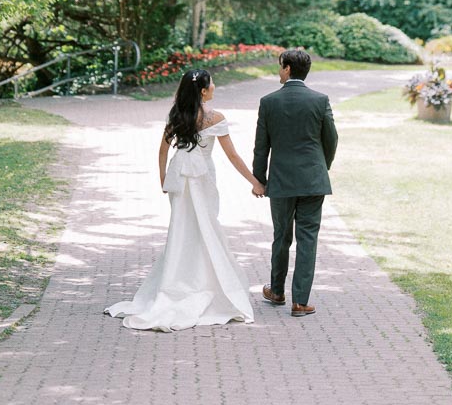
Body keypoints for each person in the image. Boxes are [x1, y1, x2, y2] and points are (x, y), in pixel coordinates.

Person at [105, 67, 266, 331]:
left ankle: (178, 281)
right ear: (203, 91)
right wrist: (255, 182)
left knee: (181, 228)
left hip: (179, 176)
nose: (214, 87)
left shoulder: (177, 114)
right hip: (201, 177)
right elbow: (233, 156)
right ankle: (204, 283)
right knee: (205, 227)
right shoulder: (215, 118)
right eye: (212, 84)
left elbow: (162, 150)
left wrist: (163, 181)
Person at [252, 46, 338, 317]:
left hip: (281, 181)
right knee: (308, 239)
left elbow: (261, 147)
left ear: (288, 69)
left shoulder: (268, 102)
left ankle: (277, 291)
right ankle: (300, 301)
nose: (278, 71)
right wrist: (322, 167)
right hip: (313, 180)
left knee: (281, 236)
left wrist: (259, 180)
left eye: (280, 66)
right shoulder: (320, 100)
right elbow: (332, 139)